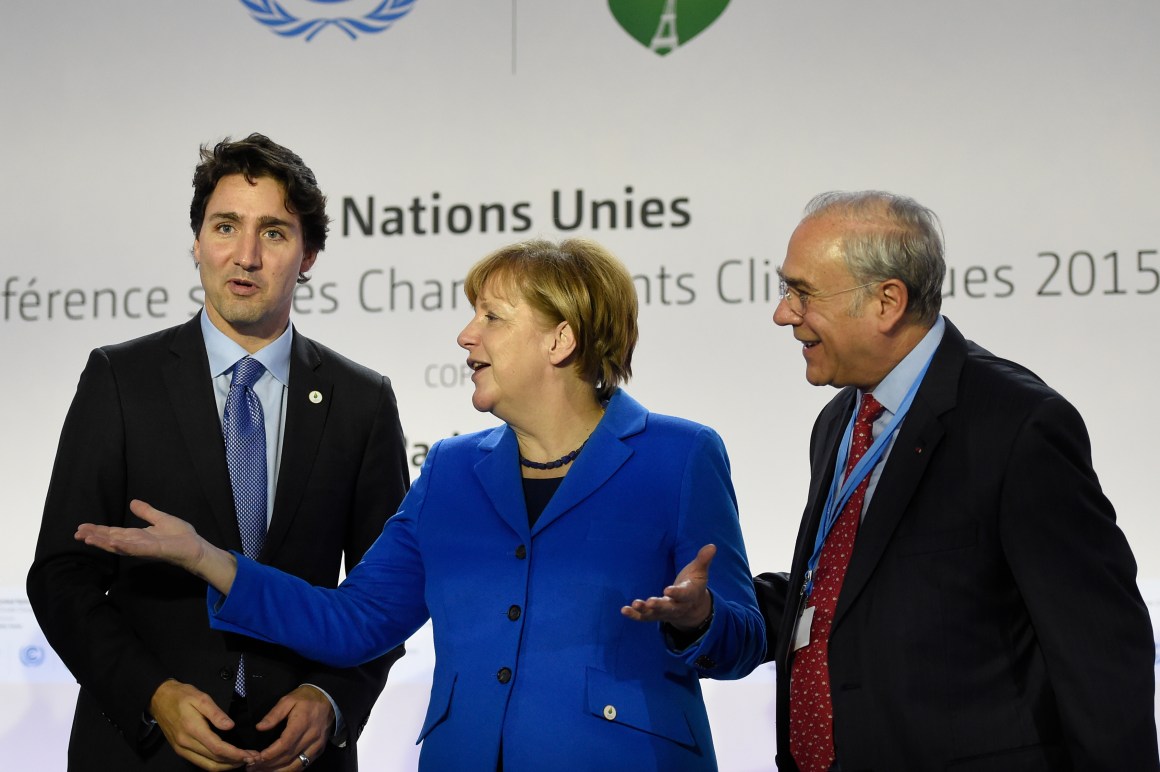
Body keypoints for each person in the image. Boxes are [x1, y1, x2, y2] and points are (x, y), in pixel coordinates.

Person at [74, 237, 767, 771]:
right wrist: (209, 559)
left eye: (492, 317)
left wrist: (699, 618)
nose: (467, 337)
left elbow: (743, 641)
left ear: (561, 339)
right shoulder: (452, 471)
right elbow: (354, 621)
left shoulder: (679, 457)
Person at [27, 134, 410, 772]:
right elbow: (61, 576)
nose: (246, 256)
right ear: (197, 242)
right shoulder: (121, 380)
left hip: (296, 757)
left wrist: (333, 696)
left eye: (275, 233)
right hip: (140, 748)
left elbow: (388, 595)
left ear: (309, 254)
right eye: (225, 226)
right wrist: (151, 695)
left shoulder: (362, 401)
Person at [752, 190, 1158, 771]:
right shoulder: (839, 421)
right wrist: (720, 609)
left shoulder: (1018, 426)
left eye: (803, 292)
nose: (783, 312)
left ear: (887, 301)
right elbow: (851, 587)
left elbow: (1100, 652)